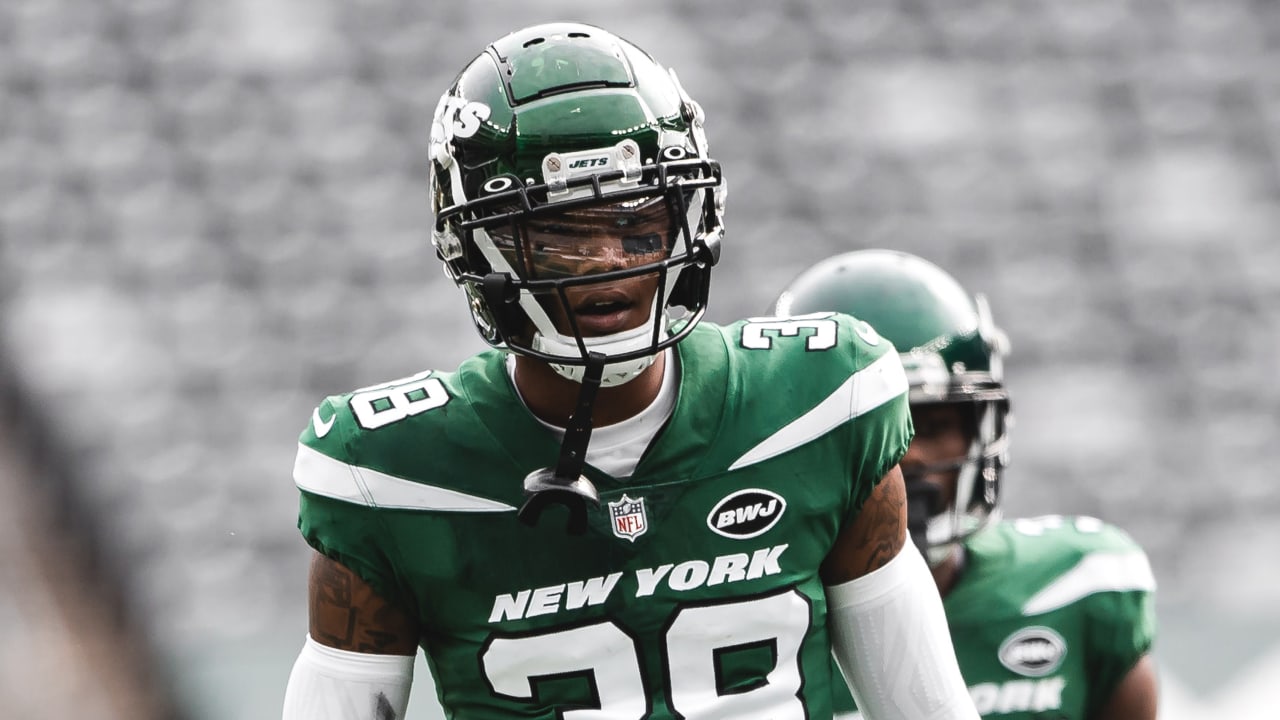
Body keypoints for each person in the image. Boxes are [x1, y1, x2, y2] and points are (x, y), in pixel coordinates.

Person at [282, 22, 980, 720]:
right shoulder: (392, 474)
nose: (609, 262)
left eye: (638, 222)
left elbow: (926, 710)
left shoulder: (819, 405)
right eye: (557, 236)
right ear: (478, 247)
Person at [774, 249, 1158, 720]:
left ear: (981, 431)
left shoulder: (1075, 588)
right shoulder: (751, 624)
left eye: (930, 427)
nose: (906, 454)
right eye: (864, 431)